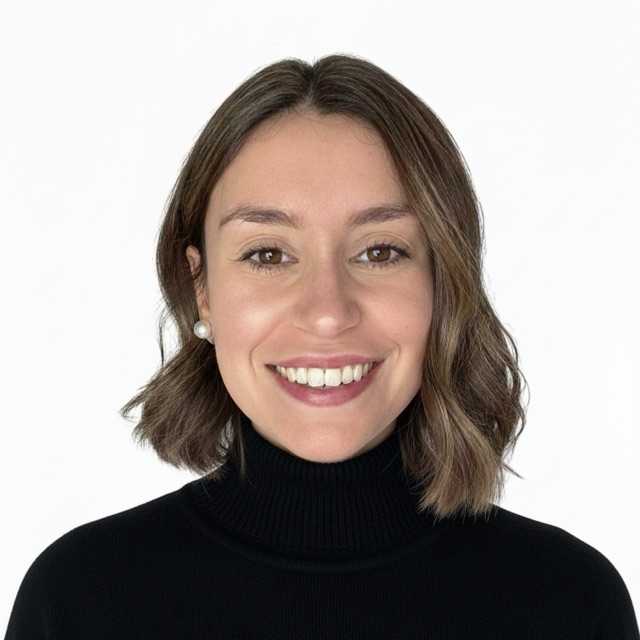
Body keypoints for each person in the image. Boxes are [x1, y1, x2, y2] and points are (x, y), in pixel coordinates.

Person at [5, 54, 638, 639]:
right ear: (202, 289)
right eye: (267, 255)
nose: (328, 312)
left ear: (443, 281)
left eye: (380, 251)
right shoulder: (79, 603)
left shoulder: (571, 605)